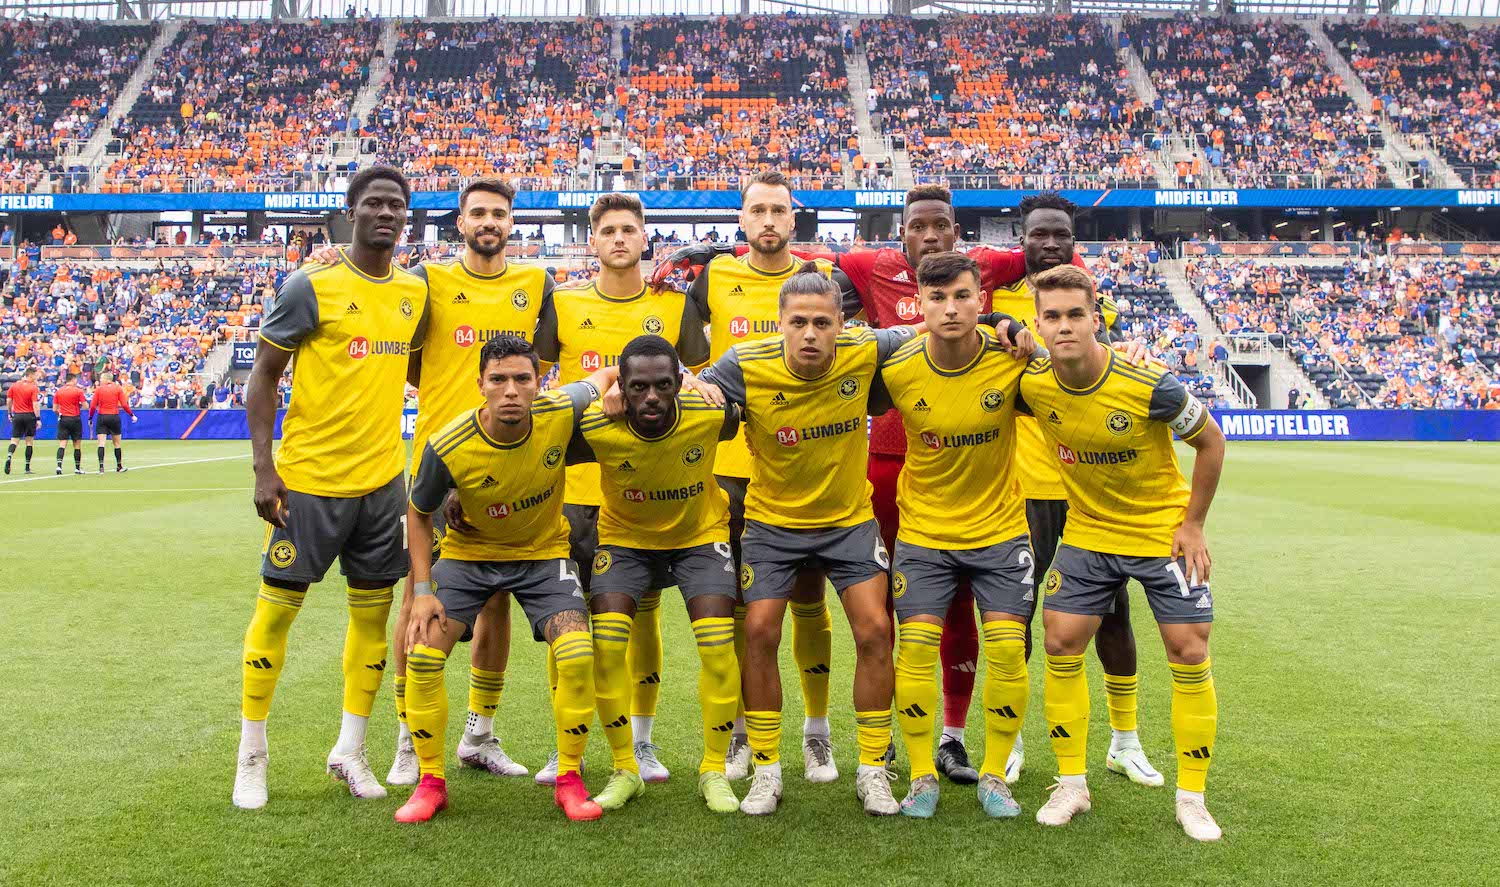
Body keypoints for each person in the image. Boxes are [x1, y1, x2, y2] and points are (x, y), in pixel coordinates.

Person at [696, 264, 1016, 816]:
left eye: (824, 322)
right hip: (773, 526)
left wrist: (1000, 319)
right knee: (759, 631)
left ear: (842, 323)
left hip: (849, 523)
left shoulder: (866, 348)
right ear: (780, 323)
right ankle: (768, 771)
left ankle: (872, 770)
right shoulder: (743, 364)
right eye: (799, 322)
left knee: (875, 629)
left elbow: (941, 324)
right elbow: (686, 385)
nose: (812, 334)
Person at [833, 183, 1089, 783]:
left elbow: (1054, 257)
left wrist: (1005, 320)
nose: (928, 236)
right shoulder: (871, 266)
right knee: (891, 608)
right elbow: (805, 269)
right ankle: (887, 735)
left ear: (957, 232)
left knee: (959, 606)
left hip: (969, 463)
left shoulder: (988, 266)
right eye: (916, 226)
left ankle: (950, 736)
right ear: (900, 231)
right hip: (888, 460)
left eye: (940, 227)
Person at [309, 177, 545, 786]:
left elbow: (545, 365)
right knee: (418, 602)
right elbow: (408, 355)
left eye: (499, 213)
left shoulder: (535, 285)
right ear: (459, 222)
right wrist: (330, 254)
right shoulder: (426, 283)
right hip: (441, 473)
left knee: (495, 601)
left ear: (511, 222)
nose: (488, 222)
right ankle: (409, 738)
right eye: (477, 213)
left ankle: (479, 733)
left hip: (506, 474)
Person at [232, 167, 428, 811]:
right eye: (373, 202)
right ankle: (252, 755)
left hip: (380, 488)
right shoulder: (308, 286)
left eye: (396, 205)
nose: (386, 213)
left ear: (407, 217)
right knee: (275, 615)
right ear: (350, 211)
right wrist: (266, 468)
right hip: (310, 484)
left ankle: (350, 748)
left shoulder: (412, 292)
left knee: (372, 622)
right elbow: (262, 377)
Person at [1017, 263, 1227, 842]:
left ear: (1096, 318)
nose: (1064, 327)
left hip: (1162, 531)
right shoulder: (1031, 382)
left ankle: (1192, 797)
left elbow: (1211, 441)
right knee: (1060, 642)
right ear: (1038, 323)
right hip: (1088, 534)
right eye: (1052, 317)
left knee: (1188, 650)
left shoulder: (1148, 382)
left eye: (1075, 315)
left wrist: (1194, 525)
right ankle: (1071, 784)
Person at [397, 335, 616, 824]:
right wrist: (423, 592)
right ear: (481, 385)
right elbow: (417, 512)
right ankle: (430, 782)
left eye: (523, 378)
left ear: (540, 383)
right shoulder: (449, 443)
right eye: (499, 379)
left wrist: (620, 389)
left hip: (542, 556)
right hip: (469, 557)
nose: (511, 390)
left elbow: (606, 376)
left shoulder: (560, 409)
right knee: (425, 652)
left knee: (578, 653)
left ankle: (570, 779)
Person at [532, 192, 711, 785]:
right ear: (592, 240)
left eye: (629, 230)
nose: (618, 239)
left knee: (645, 616)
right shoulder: (563, 303)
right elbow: (539, 384)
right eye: (607, 229)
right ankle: (569, 741)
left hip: (651, 486)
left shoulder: (675, 306)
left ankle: (644, 739)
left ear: (644, 239)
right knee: (570, 618)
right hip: (578, 485)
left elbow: (699, 376)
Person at [682, 171, 845, 783]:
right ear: (742, 219)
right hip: (730, 473)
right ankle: (746, 733)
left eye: (780, 209)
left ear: (793, 219)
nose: (770, 220)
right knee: (743, 612)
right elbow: (698, 373)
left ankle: (817, 732)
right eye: (759, 210)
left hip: (806, 470)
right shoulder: (714, 278)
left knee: (808, 601)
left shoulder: (822, 281)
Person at [995, 192, 1157, 787]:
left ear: (1072, 237)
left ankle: (1125, 740)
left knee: (1113, 615)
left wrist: (1133, 346)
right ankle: (1009, 742)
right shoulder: (1002, 298)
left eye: (1060, 234)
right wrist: (1005, 324)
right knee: (1018, 615)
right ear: (1024, 234)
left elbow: (1118, 356)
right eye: (1039, 233)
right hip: (1024, 487)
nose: (1049, 243)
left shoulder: (1095, 300)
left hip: (1091, 489)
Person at [877, 253, 1036, 820]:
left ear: (982, 302)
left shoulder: (1012, 362)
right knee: (915, 648)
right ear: (918, 303)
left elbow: (1072, 378)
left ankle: (995, 775)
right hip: (924, 530)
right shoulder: (896, 367)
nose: (950, 308)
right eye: (937, 298)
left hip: (1000, 531)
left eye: (962, 296)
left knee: (1006, 651)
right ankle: (922, 776)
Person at [569, 335, 743, 814]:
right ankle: (626, 768)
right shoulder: (595, 424)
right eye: (638, 386)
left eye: (663, 385)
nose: (651, 397)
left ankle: (713, 768)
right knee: (605, 649)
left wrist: (697, 380)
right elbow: (535, 447)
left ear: (679, 383)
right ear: (621, 386)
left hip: (699, 537)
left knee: (717, 647)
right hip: (625, 542)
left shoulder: (709, 413)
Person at [89, 371, 135, 474]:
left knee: (101, 443)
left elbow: (92, 405)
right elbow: (124, 404)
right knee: (117, 443)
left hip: (102, 416)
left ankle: (101, 468)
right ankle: (119, 466)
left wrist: (90, 417)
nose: (100, 380)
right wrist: (131, 415)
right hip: (114, 416)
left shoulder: (99, 389)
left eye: (101, 378)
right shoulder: (118, 388)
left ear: (106, 379)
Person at [4, 366, 39, 475]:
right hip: (29, 415)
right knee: (29, 441)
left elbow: (9, 401)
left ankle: (9, 455)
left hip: (17, 415)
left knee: (14, 440)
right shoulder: (33, 388)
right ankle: (27, 467)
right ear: (30, 375)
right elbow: (35, 404)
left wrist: (9, 413)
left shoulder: (14, 386)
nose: (36, 378)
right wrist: (38, 418)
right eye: (35, 376)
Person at [53, 373, 88, 475]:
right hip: (75, 418)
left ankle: (59, 466)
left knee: (62, 443)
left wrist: (60, 413)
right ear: (73, 380)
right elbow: (86, 406)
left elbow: (55, 408)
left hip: (63, 418)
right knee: (77, 444)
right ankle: (77, 468)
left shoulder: (59, 391)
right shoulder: (78, 391)